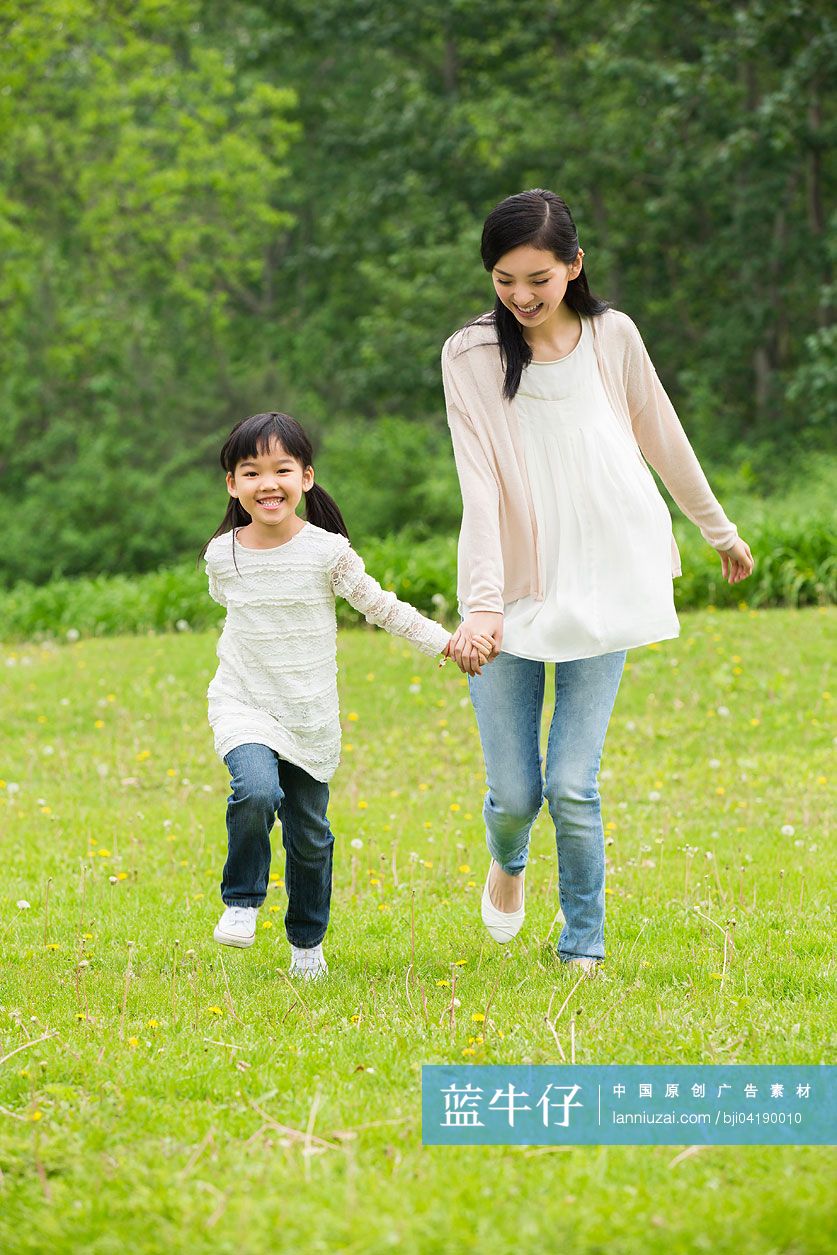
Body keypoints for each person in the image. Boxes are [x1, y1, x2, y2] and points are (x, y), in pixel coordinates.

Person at [441, 188, 754, 976]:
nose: (519, 296)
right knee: (517, 792)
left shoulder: (612, 336)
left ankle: (582, 941)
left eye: (537, 278)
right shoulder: (469, 354)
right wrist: (481, 603)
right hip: (511, 585)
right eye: (503, 279)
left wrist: (717, 529)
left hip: (607, 571)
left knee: (573, 784)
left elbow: (662, 435)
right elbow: (478, 484)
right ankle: (506, 859)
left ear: (573, 266)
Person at [200, 411, 491, 980]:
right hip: (243, 702)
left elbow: (381, 607)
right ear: (233, 485)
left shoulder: (327, 552)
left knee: (310, 837)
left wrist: (447, 643)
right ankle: (242, 900)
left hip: (308, 714)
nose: (268, 483)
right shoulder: (223, 555)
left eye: (281, 469)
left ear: (305, 477)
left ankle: (307, 943)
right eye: (251, 471)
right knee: (256, 791)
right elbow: (228, 605)